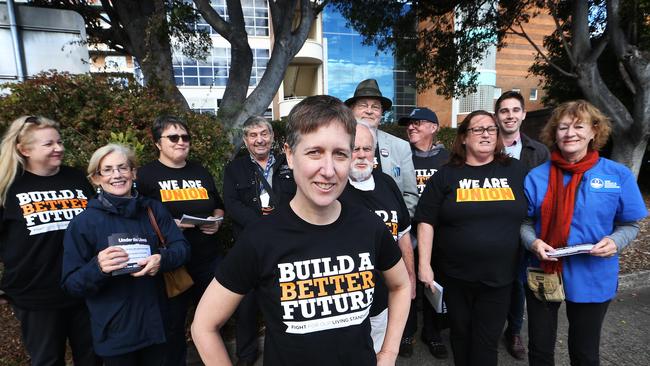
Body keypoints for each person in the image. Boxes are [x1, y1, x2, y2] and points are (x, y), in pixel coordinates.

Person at [192, 95, 411, 366]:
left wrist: (388, 354)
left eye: (341, 154)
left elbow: (401, 285)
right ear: (290, 154)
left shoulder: (369, 226)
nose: (328, 170)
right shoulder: (261, 238)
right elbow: (203, 325)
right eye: (314, 152)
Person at [521, 100, 647, 366]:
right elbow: (524, 222)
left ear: (594, 132)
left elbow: (630, 224)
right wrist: (533, 242)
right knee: (540, 350)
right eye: (563, 127)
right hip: (543, 270)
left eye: (579, 126)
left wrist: (615, 241)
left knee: (584, 352)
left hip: (593, 272)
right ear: (554, 133)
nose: (570, 133)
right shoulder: (536, 176)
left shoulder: (617, 175)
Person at [416, 111, 528, 366]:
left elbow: (535, 213)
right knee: (461, 336)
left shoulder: (516, 171)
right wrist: (424, 265)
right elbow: (426, 220)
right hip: (456, 277)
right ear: (464, 138)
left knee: (486, 342)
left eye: (491, 129)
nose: (486, 134)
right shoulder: (446, 175)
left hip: (499, 278)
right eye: (478, 129)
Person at [62, 144, 190, 366]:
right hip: (116, 333)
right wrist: (98, 268)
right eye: (108, 170)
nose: (117, 175)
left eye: (122, 168)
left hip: (159, 326)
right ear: (95, 178)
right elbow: (71, 284)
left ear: (134, 172)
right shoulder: (83, 223)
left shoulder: (153, 209)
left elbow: (182, 248)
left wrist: (162, 259)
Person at [0, 116, 99, 366]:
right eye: (49, 144)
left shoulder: (75, 178)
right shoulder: (9, 187)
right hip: (36, 293)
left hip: (82, 287)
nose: (59, 148)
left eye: (59, 141)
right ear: (25, 150)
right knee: (47, 360)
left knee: (92, 358)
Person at [137, 116, 226, 366]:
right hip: (172, 264)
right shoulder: (146, 175)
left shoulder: (199, 170)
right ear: (157, 143)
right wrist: (170, 226)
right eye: (173, 137)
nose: (180, 142)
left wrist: (217, 221)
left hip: (208, 259)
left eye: (185, 137)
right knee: (173, 325)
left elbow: (218, 205)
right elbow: (137, 218)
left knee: (214, 321)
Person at [222, 115, 296, 365]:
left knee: (283, 302)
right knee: (246, 307)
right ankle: (246, 356)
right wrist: (261, 225)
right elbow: (231, 204)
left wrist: (279, 223)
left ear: (272, 137)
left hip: (286, 245)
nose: (259, 139)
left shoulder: (290, 165)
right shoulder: (235, 169)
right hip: (249, 246)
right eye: (253, 135)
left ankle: (287, 353)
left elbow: (301, 197)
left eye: (264, 133)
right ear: (245, 140)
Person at [339, 120, 416, 353]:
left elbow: (403, 234)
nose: (361, 155)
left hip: (383, 297)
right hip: (345, 302)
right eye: (355, 148)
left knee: (379, 352)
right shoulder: (334, 189)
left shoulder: (387, 184)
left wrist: (410, 277)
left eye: (367, 149)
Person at [494, 91, 550, 360]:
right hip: (493, 226)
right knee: (494, 281)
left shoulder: (538, 151)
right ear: (497, 116)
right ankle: (491, 327)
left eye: (515, 110)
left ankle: (514, 331)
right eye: (504, 111)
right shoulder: (486, 144)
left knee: (518, 282)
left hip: (525, 227)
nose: (510, 116)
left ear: (523, 114)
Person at [396, 107, 449, 359]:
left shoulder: (448, 159)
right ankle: (406, 330)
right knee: (407, 280)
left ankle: (433, 332)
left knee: (433, 282)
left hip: (439, 233)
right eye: (409, 124)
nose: (412, 127)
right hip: (409, 231)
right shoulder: (402, 157)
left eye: (418, 123)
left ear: (434, 127)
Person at [345, 79, 419, 216]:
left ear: (381, 113)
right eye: (363, 106)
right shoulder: (339, 142)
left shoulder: (400, 147)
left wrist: (398, 224)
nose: (369, 111)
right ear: (351, 110)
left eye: (375, 107)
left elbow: (410, 195)